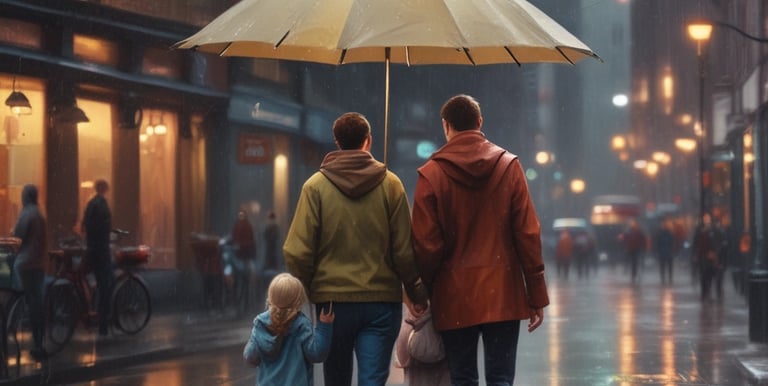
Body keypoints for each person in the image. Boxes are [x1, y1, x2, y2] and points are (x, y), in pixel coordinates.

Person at [411, 95, 549, 385]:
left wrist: (419, 293)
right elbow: (527, 233)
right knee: (501, 378)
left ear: (446, 126)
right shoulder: (509, 166)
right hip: (503, 293)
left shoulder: (431, 174)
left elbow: (426, 245)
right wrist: (536, 293)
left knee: (463, 378)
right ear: (480, 122)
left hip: (454, 295)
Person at [283, 112, 428, 386]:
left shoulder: (315, 187)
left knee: (336, 378)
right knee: (372, 380)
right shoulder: (391, 185)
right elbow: (404, 251)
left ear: (337, 142)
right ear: (368, 141)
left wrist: (312, 286)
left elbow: (296, 252)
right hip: (381, 302)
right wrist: (416, 291)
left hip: (331, 305)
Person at [243, 273, 334, 386]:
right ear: (298, 299)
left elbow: (250, 357)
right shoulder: (301, 324)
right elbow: (317, 354)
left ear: (271, 296)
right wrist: (325, 326)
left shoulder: (261, 323)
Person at [11, 184, 48, 361]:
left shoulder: (28, 212)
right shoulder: (39, 213)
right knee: (36, 301)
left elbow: (18, 233)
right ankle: (38, 341)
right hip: (38, 263)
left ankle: (17, 315)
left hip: (26, 262)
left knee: (24, 295)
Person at [82, 179, 114, 336]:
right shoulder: (102, 204)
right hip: (101, 249)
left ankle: (94, 313)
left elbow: (85, 224)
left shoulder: (91, 203)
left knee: (95, 281)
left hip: (92, 248)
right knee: (105, 284)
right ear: (105, 189)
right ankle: (103, 324)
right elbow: (105, 226)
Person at [692, 213, 726, 300]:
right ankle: (705, 293)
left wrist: (715, 253)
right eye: (705, 218)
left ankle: (709, 292)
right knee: (704, 275)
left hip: (710, 256)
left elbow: (717, 243)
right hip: (703, 256)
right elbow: (696, 244)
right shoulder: (699, 231)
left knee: (710, 275)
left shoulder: (714, 231)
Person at [231, 210, 256, 314]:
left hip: (242, 258)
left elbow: (249, 242)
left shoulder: (243, 226)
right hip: (242, 258)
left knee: (242, 283)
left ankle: (242, 304)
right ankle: (242, 304)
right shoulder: (244, 226)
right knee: (242, 283)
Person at [620, 218, 646, 284]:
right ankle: (631, 273)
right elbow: (624, 239)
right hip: (631, 249)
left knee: (635, 263)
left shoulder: (639, 232)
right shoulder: (629, 232)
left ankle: (634, 275)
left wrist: (642, 246)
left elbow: (643, 240)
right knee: (632, 262)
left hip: (636, 249)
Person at [654, 217, 676, 285]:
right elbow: (657, 243)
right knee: (665, 266)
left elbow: (672, 242)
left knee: (666, 266)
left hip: (666, 252)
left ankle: (667, 278)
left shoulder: (666, 234)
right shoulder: (663, 234)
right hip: (665, 252)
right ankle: (666, 278)